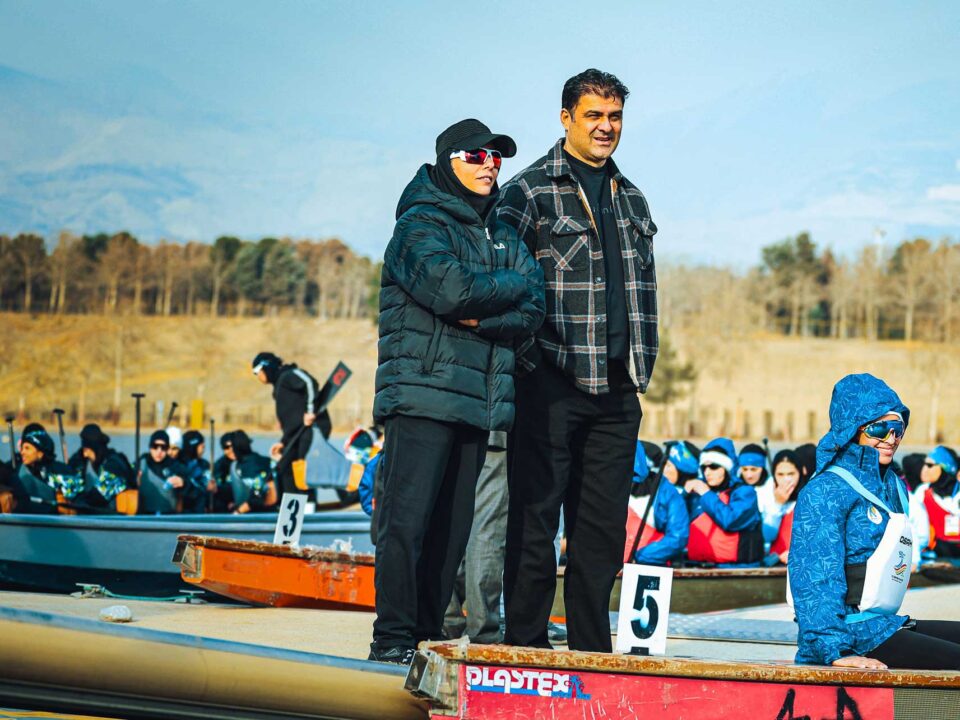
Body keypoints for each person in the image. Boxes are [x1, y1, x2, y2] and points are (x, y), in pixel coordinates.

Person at [370, 118, 545, 665]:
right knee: (407, 523)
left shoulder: (504, 233)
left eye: (496, 157)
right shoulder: (418, 225)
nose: (489, 165)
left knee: (452, 532)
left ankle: (424, 639)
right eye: (476, 156)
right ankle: (392, 639)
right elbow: (451, 289)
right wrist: (507, 287)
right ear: (448, 161)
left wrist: (485, 316)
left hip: (479, 402)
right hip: (421, 394)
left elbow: (534, 303)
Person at [496, 68, 657, 653]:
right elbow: (503, 286)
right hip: (550, 384)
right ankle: (527, 644)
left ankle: (593, 649)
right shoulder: (528, 192)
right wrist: (530, 363)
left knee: (601, 532)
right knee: (535, 520)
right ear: (566, 119)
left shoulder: (631, 197)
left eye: (614, 117)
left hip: (617, 389)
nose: (605, 127)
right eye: (593, 116)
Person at [790, 372, 960, 670]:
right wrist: (836, 651)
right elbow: (814, 576)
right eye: (879, 429)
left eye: (898, 429)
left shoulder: (891, 485)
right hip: (848, 636)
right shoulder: (825, 491)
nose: (891, 439)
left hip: (883, 624)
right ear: (851, 429)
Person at [252, 351, 332, 498]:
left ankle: (309, 505)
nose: (257, 376)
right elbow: (292, 422)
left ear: (266, 367)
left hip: (311, 429)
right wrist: (283, 442)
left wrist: (310, 411)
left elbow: (309, 382)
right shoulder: (278, 385)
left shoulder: (288, 374)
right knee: (284, 466)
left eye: (257, 371)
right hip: (296, 434)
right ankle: (293, 506)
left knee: (302, 469)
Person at [684, 437, 764, 567]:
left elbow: (730, 521)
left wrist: (705, 493)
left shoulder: (745, 493)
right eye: (704, 467)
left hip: (737, 569)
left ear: (727, 468)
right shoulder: (698, 494)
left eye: (713, 467)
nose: (707, 472)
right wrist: (683, 495)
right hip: (698, 566)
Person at [625, 441, 690, 566]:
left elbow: (678, 536)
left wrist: (641, 557)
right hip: (614, 566)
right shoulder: (615, 486)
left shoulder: (667, 492)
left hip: (647, 564)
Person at [8, 428, 83, 514]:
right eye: (22, 448)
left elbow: (72, 505)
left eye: (27, 448)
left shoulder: (60, 472)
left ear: (40, 453)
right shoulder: (19, 469)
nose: (22, 452)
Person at [908, 445, 960, 563]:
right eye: (924, 464)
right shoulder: (922, 492)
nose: (924, 468)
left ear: (945, 468)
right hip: (933, 560)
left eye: (930, 465)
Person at [67, 423, 133, 511]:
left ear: (96, 449)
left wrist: (79, 501)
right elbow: (71, 480)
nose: (85, 455)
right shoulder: (88, 460)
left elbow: (100, 495)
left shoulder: (114, 465)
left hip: (113, 515)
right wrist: (75, 462)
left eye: (87, 450)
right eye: (83, 450)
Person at [763, 449, 807, 564]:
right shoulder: (766, 495)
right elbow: (767, 536)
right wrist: (777, 504)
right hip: (774, 564)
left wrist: (797, 554)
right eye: (780, 474)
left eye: (791, 474)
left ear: (800, 472)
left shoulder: (810, 498)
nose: (786, 480)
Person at [225, 430, 278, 514]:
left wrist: (237, 512)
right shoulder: (266, 460)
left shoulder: (249, 467)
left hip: (258, 513)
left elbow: (257, 497)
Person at [136, 429, 187, 514]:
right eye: (155, 446)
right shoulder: (141, 464)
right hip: (145, 515)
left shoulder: (176, 466)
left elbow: (191, 489)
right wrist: (134, 482)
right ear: (150, 447)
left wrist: (183, 483)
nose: (159, 451)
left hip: (168, 516)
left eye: (163, 447)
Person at [179, 430, 212, 513]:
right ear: (193, 446)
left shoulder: (204, 464)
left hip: (202, 509)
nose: (203, 449)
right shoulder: (179, 465)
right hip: (185, 510)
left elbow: (208, 485)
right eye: (201, 446)